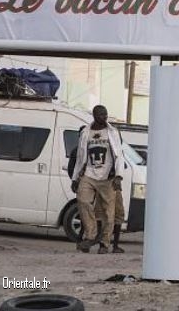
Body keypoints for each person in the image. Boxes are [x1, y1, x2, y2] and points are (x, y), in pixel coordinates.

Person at [71, 105, 125, 254]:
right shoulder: (86, 132)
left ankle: (105, 244)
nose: (104, 118)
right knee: (82, 200)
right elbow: (80, 158)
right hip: (89, 174)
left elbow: (119, 156)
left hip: (107, 177)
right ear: (94, 115)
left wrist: (118, 176)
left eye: (106, 115)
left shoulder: (112, 132)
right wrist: (75, 178)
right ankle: (90, 235)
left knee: (109, 212)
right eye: (101, 115)